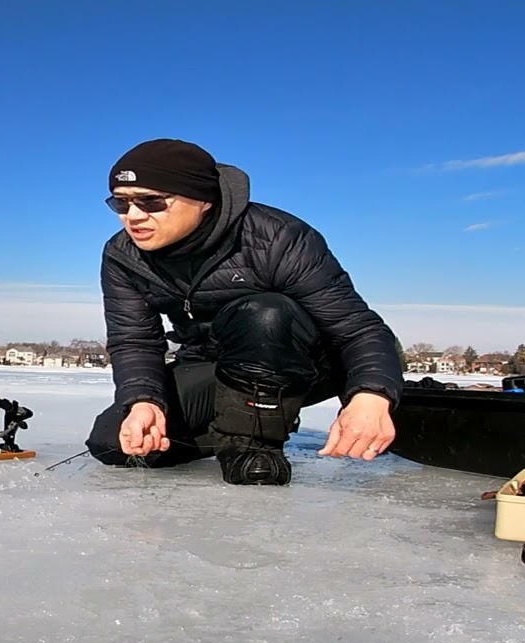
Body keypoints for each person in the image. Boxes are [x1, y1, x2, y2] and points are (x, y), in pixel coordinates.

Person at [85, 138, 403, 485]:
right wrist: (144, 401)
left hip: (301, 364)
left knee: (265, 312)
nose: (133, 216)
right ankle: (234, 424)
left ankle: (254, 445)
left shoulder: (277, 238)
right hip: (214, 365)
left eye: (152, 202)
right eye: (121, 202)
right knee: (114, 443)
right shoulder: (122, 255)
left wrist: (371, 396)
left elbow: (358, 330)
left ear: (203, 200)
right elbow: (135, 341)